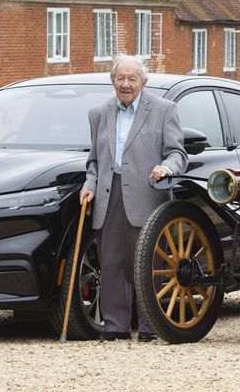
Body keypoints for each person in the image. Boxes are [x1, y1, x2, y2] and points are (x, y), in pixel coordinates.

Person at [79, 55, 188, 342]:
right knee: (111, 261)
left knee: (149, 262)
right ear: (112, 80)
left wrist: (167, 168)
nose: (126, 84)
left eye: (132, 79)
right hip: (109, 192)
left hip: (148, 192)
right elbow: (94, 161)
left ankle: (150, 326)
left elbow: (178, 153)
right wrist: (90, 183)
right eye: (120, 78)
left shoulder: (165, 110)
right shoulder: (99, 113)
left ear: (144, 82)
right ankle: (115, 326)